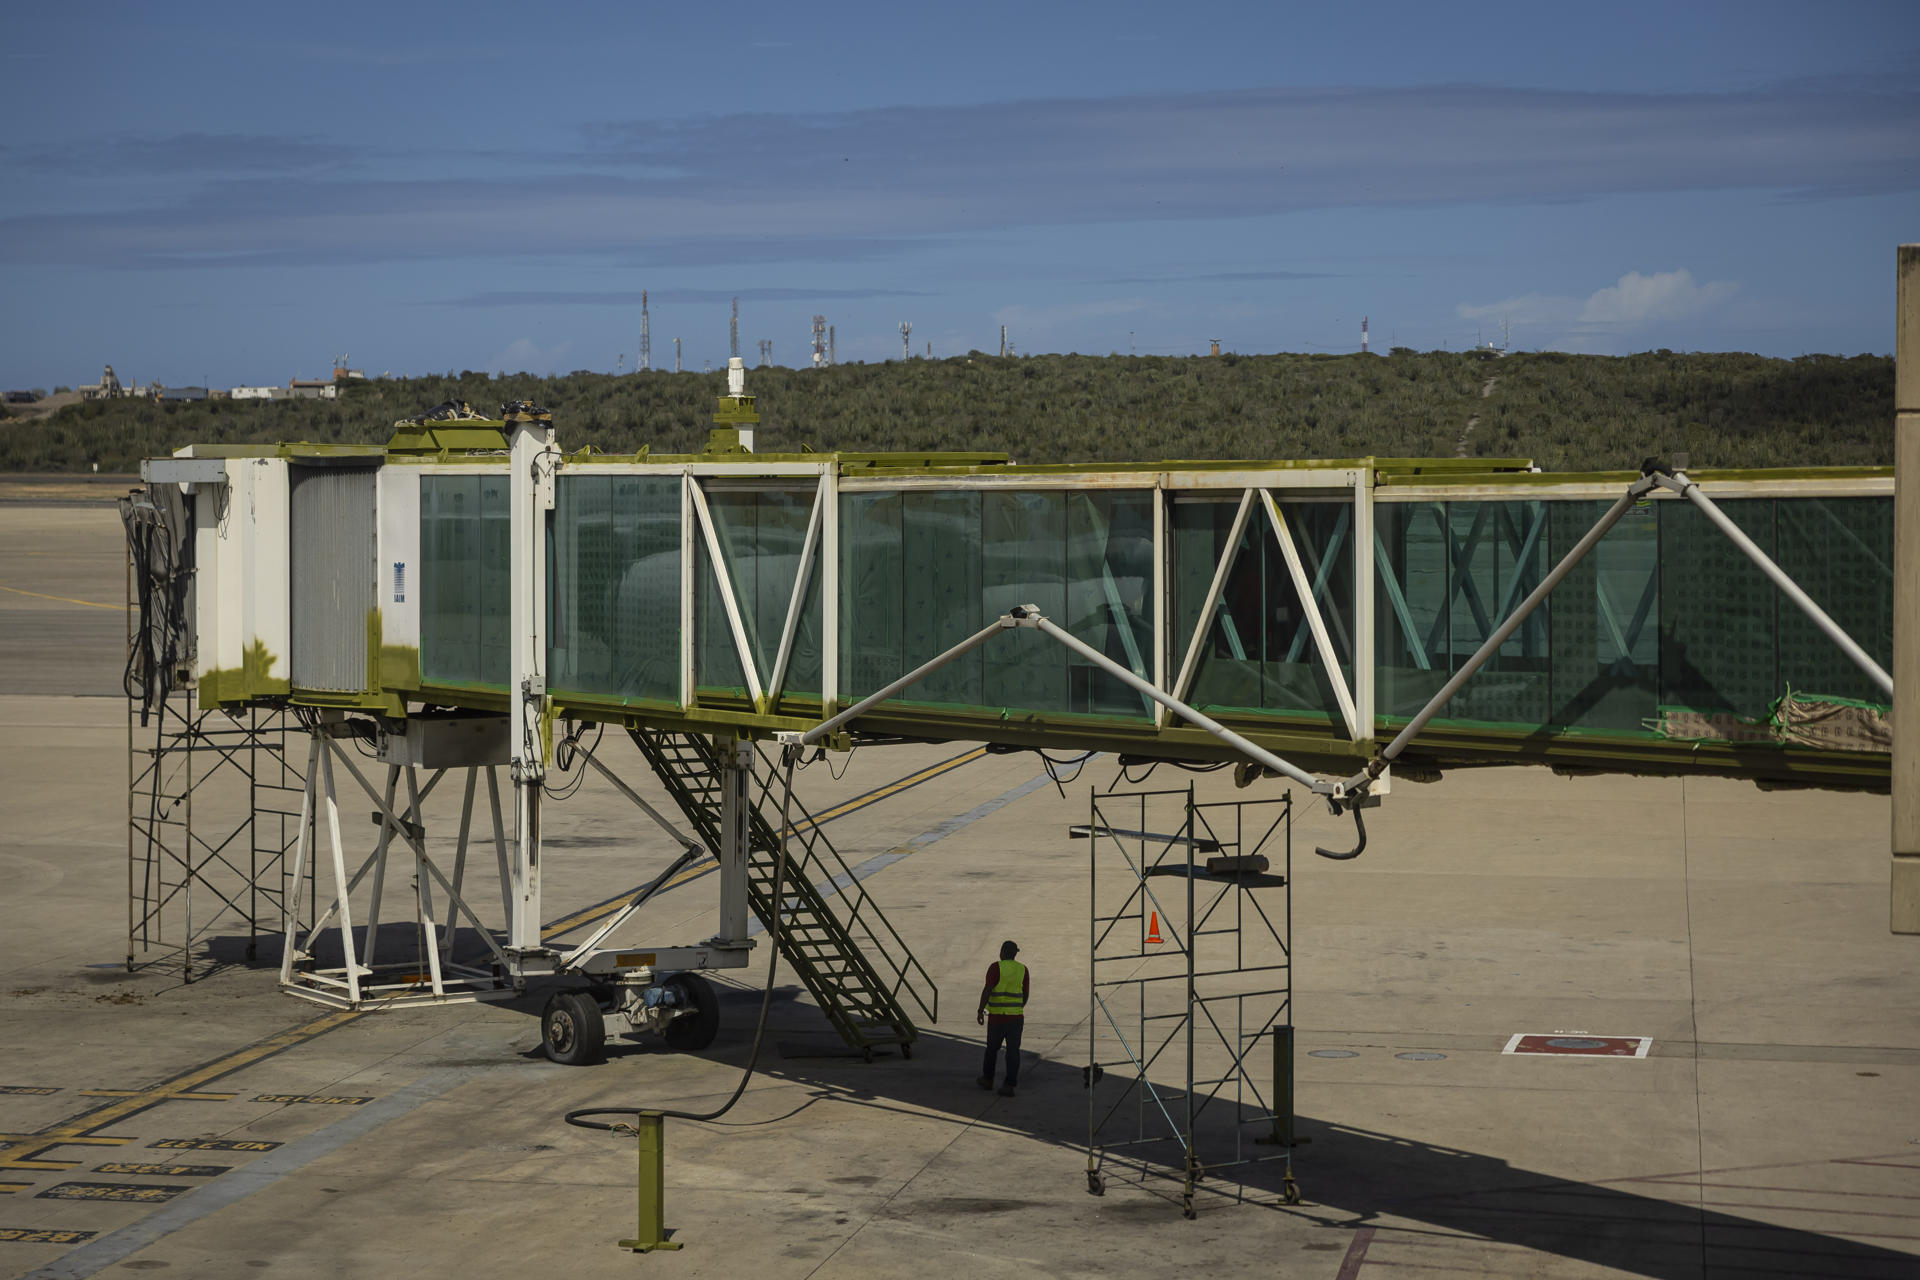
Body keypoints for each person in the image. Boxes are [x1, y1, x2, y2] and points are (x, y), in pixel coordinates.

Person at [976, 939, 1028, 1097]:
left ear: (1002, 952)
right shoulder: (1023, 969)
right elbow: (1025, 995)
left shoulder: (995, 967)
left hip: (997, 1018)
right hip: (1016, 1018)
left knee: (992, 1050)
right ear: (1014, 954)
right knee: (1013, 1052)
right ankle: (1009, 1085)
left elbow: (988, 989)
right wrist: (1016, 1008)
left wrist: (981, 1010)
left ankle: (988, 1079)